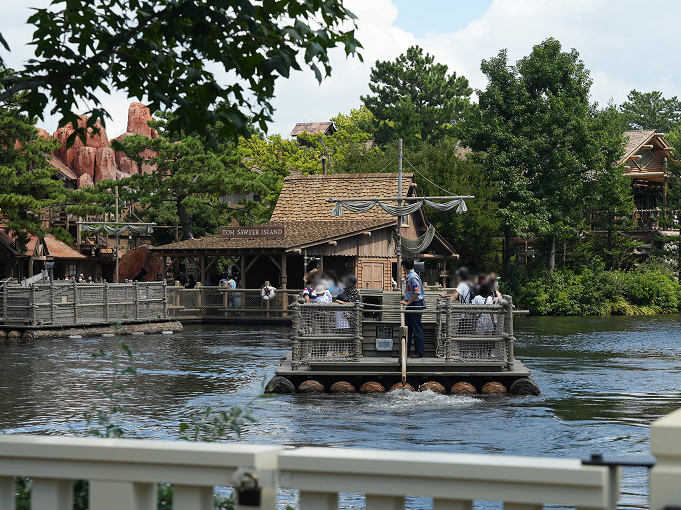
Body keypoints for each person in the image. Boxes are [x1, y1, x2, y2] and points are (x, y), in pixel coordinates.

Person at [400, 257, 426, 358]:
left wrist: (407, 302)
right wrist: (406, 295)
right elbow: (412, 291)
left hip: (415, 305)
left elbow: (417, 292)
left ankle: (419, 352)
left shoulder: (413, 277)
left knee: (416, 329)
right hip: (412, 304)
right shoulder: (410, 276)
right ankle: (406, 351)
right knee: (408, 329)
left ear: (404, 267)